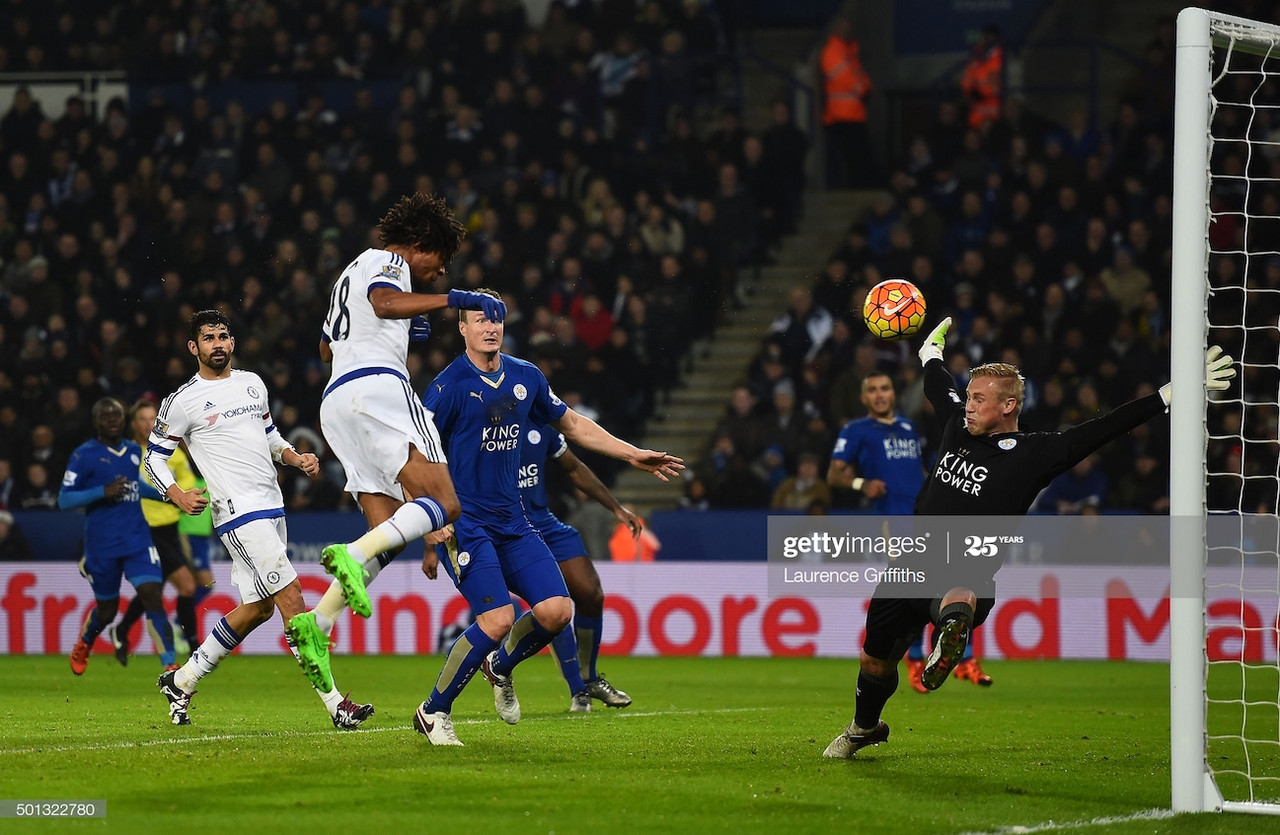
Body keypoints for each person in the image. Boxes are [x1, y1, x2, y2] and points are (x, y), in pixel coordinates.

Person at [823, 319, 1235, 758]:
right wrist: (930, 355)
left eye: (979, 400)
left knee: (960, 594)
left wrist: (1168, 396)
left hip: (968, 571)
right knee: (874, 662)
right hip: (910, 564)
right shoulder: (956, 428)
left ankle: (952, 632)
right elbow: (937, 385)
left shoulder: (1034, 454)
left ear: (1009, 406)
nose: (968, 406)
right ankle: (864, 726)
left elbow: (1101, 429)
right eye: (969, 397)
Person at [413, 289, 683, 745]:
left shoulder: (526, 377)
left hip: (514, 522)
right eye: (479, 320)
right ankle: (432, 711)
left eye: (496, 319)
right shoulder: (446, 387)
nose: (490, 327)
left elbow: (574, 426)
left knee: (558, 611)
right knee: (497, 619)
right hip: (467, 524)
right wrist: (428, 522)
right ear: (462, 328)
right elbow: (415, 456)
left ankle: (499, 667)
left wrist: (632, 453)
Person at [288, 192, 507, 692]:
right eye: (440, 262)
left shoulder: (349, 272)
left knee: (388, 532)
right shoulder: (388, 260)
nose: (439, 274)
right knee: (445, 503)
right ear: (421, 244)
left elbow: (325, 347)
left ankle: (316, 626)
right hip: (380, 388)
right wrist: (458, 300)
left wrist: (407, 323)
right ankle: (347, 552)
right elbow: (384, 302)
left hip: (337, 402)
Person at [144, 310, 373, 730]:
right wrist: (175, 494)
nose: (218, 343)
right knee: (293, 602)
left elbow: (269, 437)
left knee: (258, 609)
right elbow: (152, 458)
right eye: (209, 337)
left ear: (233, 342)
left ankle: (182, 680)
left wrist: (293, 456)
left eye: (224, 336)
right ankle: (336, 704)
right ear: (194, 348)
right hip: (237, 513)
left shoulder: (253, 384)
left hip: (272, 506)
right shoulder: (183, 400)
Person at [827, 371, 989, 691]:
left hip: (928, 515)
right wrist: (861, 483)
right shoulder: (856, 430)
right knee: (914, 588)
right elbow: (834, 475)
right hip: (894, 520)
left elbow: (917, 470)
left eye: (884, 388)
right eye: (872, 390)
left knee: (955, 578)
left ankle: (963, 658)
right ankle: (916, 661)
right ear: (864, 398)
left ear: (892, 393)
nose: (879, 394)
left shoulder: (907, 427)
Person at [519, 419, 639, 712]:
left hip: (544, 523)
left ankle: (589, 677)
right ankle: (579, 689)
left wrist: (615, 507)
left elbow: (573, 468)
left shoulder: (539, 424)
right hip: (508, 528)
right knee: (554, 604)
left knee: (590, 593)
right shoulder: (480, 427)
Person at [60, 397, 176, 674]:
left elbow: (136, 487)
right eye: (106, 416)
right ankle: (85, 642)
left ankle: (170, 665)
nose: (112, 420)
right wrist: (103, 492)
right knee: (107, 611)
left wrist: (172, 496)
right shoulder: (83, 455)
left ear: (124, 421)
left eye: (117, 416)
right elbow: (64, 500)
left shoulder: (135, 450)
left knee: (152, 595)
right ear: (96, 421)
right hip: (102, 545)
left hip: (137, 540)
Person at [107, 399, 201, 666]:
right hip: (145, 528)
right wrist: (169, 494)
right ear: (134, 425)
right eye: (143, 419)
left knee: (153, 589)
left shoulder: (173, 452)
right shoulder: (129, 453)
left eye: (153, 418)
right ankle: (195, 645)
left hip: (170, 527)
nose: (149, 423)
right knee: (186, 584)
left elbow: (187, 481)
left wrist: (178, 496)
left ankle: (121, 629)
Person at [820, 17, 875, 189]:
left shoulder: (849, 52)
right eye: (843, 26)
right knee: (850, 157)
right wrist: (863, 90)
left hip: (855, 114)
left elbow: (860, 76)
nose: (847, 30)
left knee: (859, 156)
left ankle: (860, 186)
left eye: (848, 27)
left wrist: (867, 87)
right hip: (841, 116)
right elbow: (846, 77)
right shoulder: (832, 51)